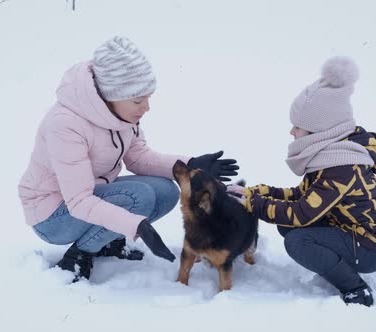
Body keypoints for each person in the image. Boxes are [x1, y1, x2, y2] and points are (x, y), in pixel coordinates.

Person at [18, 36, 239, 282]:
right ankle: (80, 253)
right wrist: (135, 225)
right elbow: (79, 201)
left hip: (90, 196)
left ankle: (106, 241)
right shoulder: (65, 124)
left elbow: (139, 158)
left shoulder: (120, 115)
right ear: (112, 95)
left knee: (165, 191)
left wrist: (191, 165)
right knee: (140, 197)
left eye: (148, 97)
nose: (146, 107)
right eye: (138, 100)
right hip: (53, 216)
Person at [227, 57, 376, 306]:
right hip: (350, 231)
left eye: (298, 126)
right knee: (288, 227)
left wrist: (254, 203)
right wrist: (258, 192)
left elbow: (302, 212)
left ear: (320, 131)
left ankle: (355, 289)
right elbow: (303, 196)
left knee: (297, 239)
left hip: (370, 247)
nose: (292, 132)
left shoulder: (341, 167)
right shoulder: (332, 154)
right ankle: (334, 264)